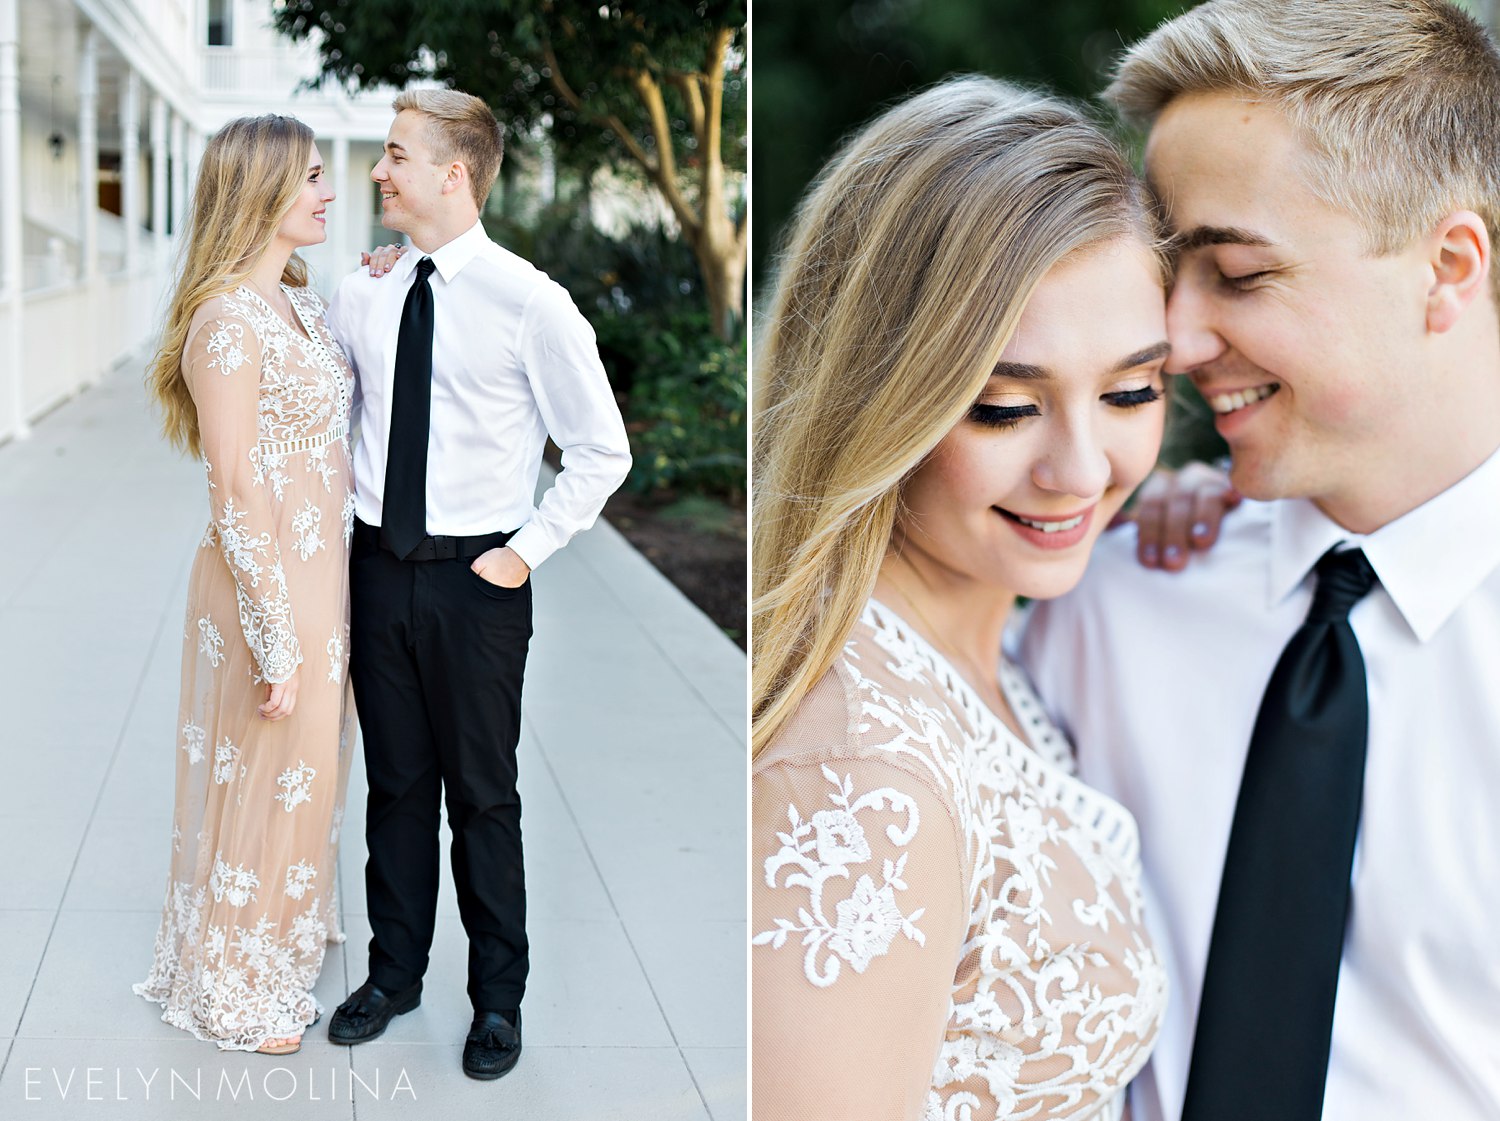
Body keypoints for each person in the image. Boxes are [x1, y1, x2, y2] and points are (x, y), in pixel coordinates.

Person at [1020, 2, 1500, 1120]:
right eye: (1172, 276)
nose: (1178, 341)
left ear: (1449, 264)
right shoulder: (1098, 596)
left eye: (1236, 273)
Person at [751, 76, 1172, 1119]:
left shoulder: (990, 641)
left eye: (1131, 392)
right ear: (882, 396)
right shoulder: (855, 778)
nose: (1082, 469)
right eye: (1004, 408)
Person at [321, 89, 631, 1080]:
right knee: (395, 787)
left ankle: (498, 999)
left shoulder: (529, 302)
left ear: (455, 173)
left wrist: (524, 550)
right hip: (377, 569)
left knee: (484, 796)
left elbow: (600, 449)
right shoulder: (366, 289)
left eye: (397, 155)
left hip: (476, 582)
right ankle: (392, 973)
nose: (381, 172)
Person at [135, 114, 354, 1056]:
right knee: (270, 770)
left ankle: (276, 953)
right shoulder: (224, 319)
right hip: (267, 581)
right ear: (260, 191)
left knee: (309, 776)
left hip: (328, 571)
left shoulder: (300, 304)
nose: (327, 191)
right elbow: (230, 483)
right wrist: (274, 633)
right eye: (309, 176)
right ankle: (231, 979)